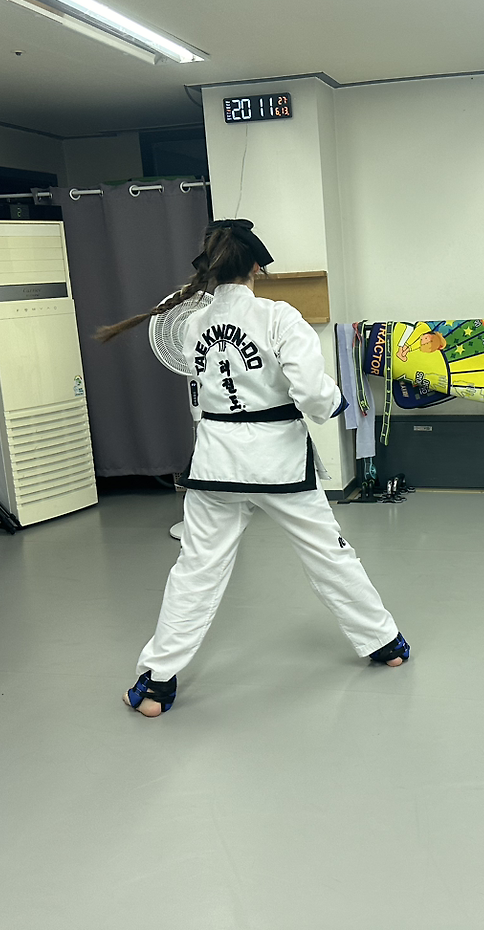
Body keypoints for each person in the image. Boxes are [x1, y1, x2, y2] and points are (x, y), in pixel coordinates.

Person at [97, 219, 409, 718]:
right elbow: (312, 393)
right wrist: (335, 402)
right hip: (277, 465)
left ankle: (155, 684)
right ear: (257, 268)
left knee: (195, 570)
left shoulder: (193, 324)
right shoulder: (278, 317)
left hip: (216, 465)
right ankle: (385, 643)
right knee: (329, 555)